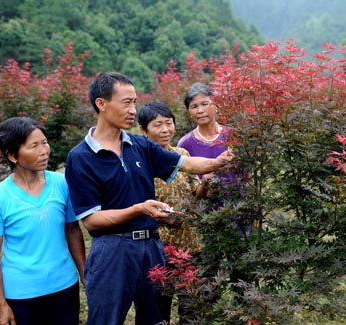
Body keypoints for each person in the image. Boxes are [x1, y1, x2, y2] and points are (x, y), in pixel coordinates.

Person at [64, 72, 232, 325]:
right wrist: (139, 209)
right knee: (106, 318)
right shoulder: (81, 157)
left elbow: (186, 162)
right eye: (126, 102)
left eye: (134, 102)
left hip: (152, 247)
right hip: (113, 249)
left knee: (155, 319)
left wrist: (218, 161)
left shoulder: (139, 145)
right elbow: (92, 220)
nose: (133, 110)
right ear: (102, 104)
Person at [0, 117, 85, 325]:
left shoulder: (61, 183)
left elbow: (73, 230)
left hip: (64, 285)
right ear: (13, 155)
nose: (44, 151)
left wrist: (85, 275)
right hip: (20, 293)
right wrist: (2, 305)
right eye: (34, 146)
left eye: (44, 142)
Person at [137, 101, 209, 324]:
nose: (165, 130)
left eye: (169, 123)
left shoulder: (181, 154)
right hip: (160, 247)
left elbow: (194, 193)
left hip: (190, 244)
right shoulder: (139, 162)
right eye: (158, 125)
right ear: (143, 130)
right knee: (159, 308)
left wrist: (205, 185)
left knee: (191, 305)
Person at [178, 82, 250, 235]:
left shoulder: (233, 136)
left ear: (215, 106)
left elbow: (247, 176)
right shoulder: (185, 144)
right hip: (207, 217)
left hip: (239, 212)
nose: (200, 110)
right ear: (189, 111)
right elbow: (188, 187)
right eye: (194, 106)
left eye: (205, 104)